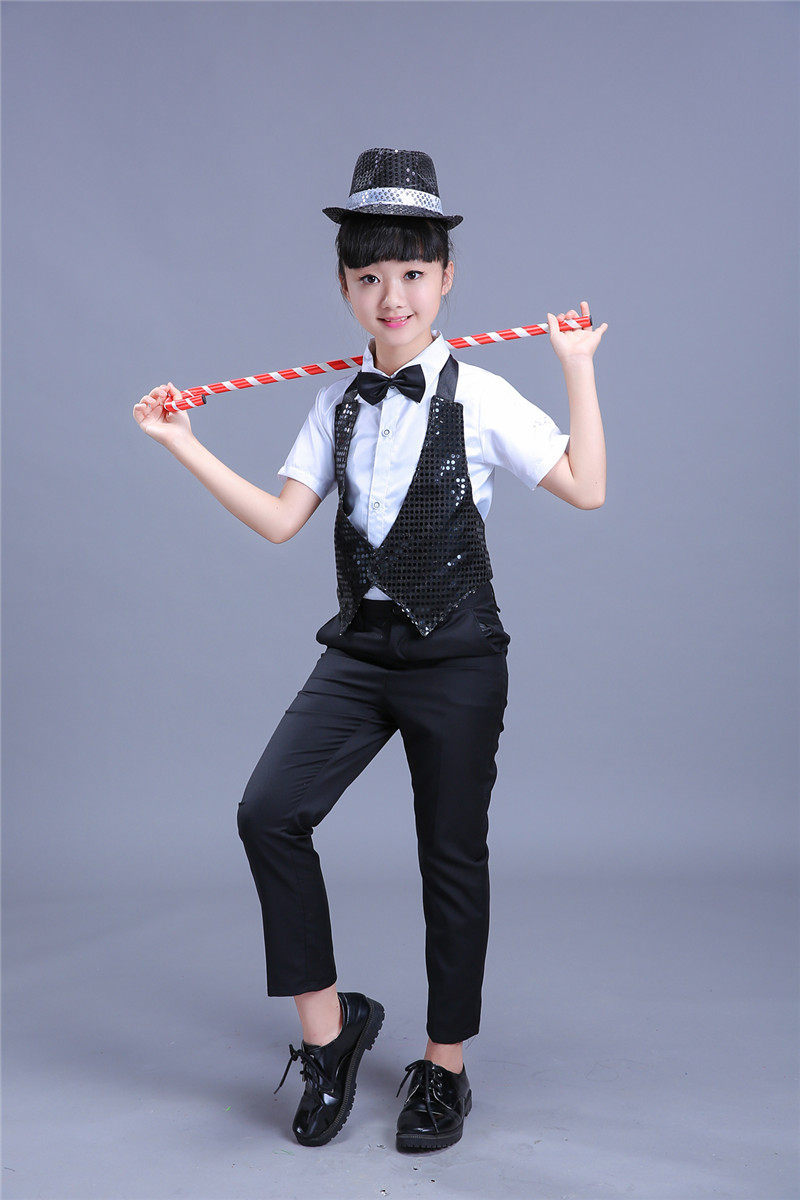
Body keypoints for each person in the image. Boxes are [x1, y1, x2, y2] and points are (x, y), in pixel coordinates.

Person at [132, 146, 608, 1154]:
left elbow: (585, 487)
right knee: (268, 812)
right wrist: (183, 443)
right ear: (345, 287)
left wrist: (576, 369)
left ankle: (444, 1067)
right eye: (369, 277)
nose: (392, 297)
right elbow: (280, 521)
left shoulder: (482, 397)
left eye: (412, 273)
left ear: (446, 279)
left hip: (458, 654)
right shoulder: (336, 404)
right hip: (359, 650)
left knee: (450, 855)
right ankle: (331, 1032)